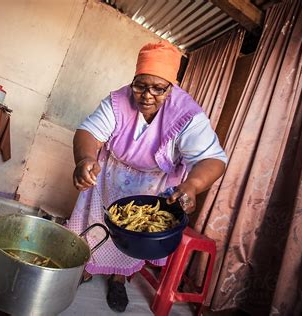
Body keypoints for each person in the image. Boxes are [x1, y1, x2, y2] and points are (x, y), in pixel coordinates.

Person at [66, 40, 227, 312]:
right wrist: (85, 159)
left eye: (158, 88)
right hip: (109, 175)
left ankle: (119, 278)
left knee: (135, 233)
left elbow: (212, 159)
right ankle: (88, 268)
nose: (147, 95)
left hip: (154, 186)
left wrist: (193, 185)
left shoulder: (187, 114)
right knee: (96, 222)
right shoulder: (118, 100)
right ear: (133, 80)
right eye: (140, 85)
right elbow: (89, 133)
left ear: (171, 86)